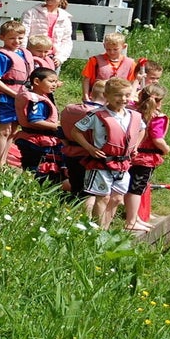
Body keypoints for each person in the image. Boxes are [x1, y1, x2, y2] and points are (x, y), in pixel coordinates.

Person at [71, 77, 143, 228]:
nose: (123, 99)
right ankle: (97, 231)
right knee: (103, 197)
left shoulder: (133, 115)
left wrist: (135, 146)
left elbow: (141, 129)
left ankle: (105, 228)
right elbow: (76, 131)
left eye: (127, 95)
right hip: (102, 163)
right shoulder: (96, 115)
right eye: (118, 95)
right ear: (106, 96)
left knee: (117, 199)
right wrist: (90, 148)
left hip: (123, 164)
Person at [0, 20, 33, 168]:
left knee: (13, 131)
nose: (16, 41)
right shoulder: (0, 55)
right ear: (2, 37)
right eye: (12, 38)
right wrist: (13, 94)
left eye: (20, 38)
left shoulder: (23, 53)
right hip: (5, 98)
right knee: (5, 131)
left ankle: (3, 161)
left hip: (22, 96)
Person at [124, 84, 170, 232]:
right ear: (159, 102)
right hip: (145, 159)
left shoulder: (131, 110)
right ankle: (131, 221)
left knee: (128, 186)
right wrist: (166, 148)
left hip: (129, 155)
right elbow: (157, 139)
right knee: (136, 189)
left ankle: (134, 217)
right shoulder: (157, 118)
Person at [13, 67, 63, 185]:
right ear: (36, 81)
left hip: (34, 140)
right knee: (33, 168)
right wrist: (56, 126)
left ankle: (28, 186)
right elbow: (34, 121)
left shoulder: (42, 96)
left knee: (34, 168)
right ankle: (28, 188)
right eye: (51, 81)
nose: (54, 84)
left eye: (56, 82)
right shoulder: (37, 101)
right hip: (34, 142)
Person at [61, 80, 106, 203]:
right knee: (90, 192)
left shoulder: (69, 109)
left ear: (91, 93)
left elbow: (61, 131)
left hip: (70, 153)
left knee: (76, 188)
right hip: (91, 156)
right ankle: (85, 215)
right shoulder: (102, 115)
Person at [20, 0, 73, 70]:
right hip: (32, 55)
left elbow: (66, 41)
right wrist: (24, 53)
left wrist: (60, 58)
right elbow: (24, 33)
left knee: (50, 78)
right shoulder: (31, 12)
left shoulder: (65, 18)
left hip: (53, 58)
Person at [81, 32, 136, 102]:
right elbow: (86, 80)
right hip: (98, 99)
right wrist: (86, 97)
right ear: (104, 46)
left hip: (119, 100)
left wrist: (130, 97)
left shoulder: (130, 63)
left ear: (124, 46)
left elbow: (132, 82)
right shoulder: (95, 60)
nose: (112, 52)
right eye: (108, 49)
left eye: (115, 49)